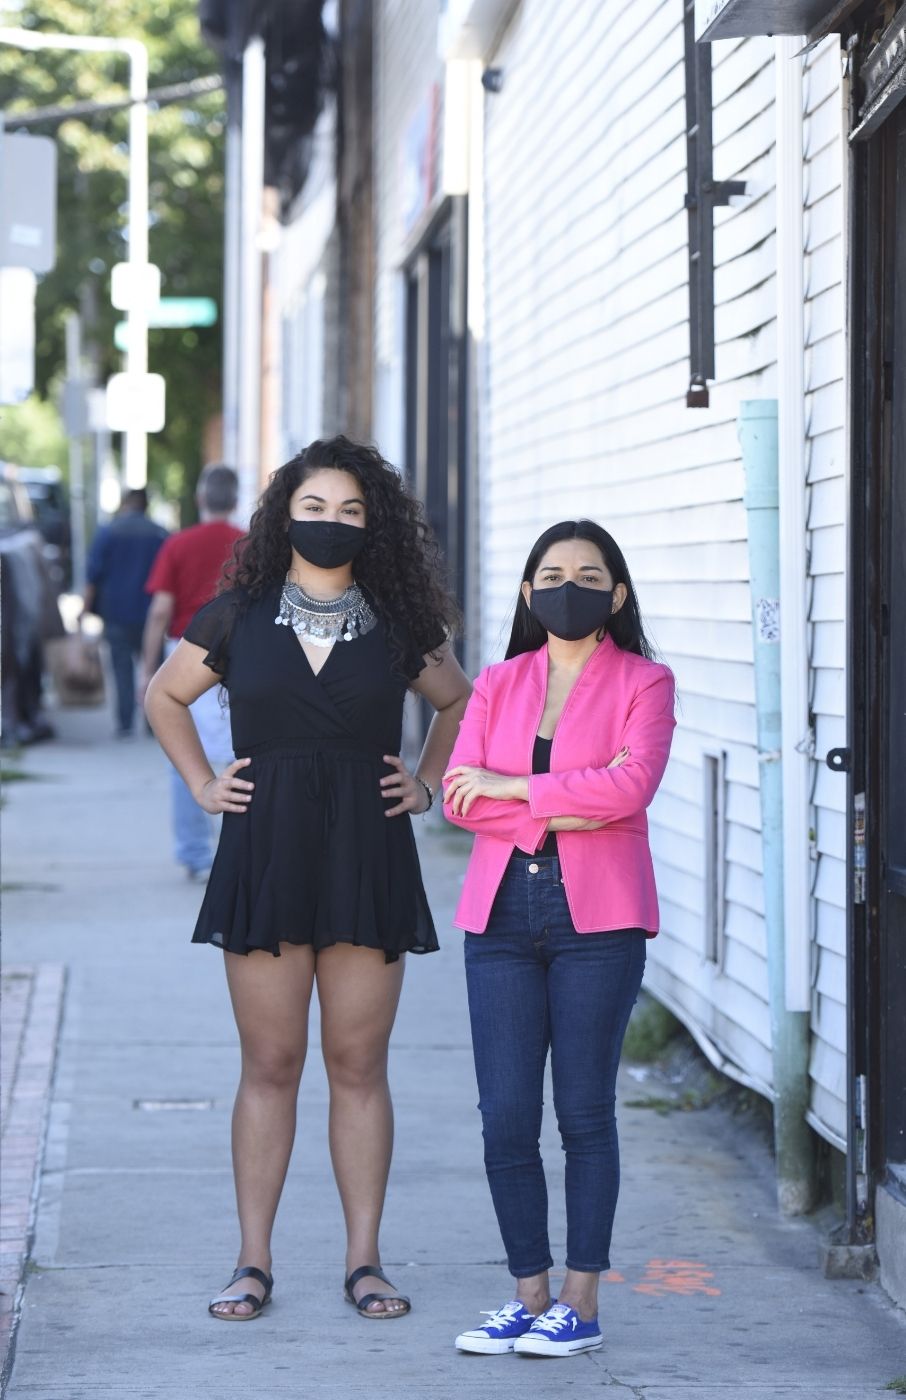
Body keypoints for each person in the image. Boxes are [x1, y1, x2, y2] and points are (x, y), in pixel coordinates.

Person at [144, 436, 471, 1322]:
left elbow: (458, 700)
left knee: (358, 1064)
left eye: (351, 510)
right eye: (316, 507)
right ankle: (252, 1261)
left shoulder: (398, 620)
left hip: (369, 848)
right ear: (284, 515)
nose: (332, 522)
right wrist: (203, 784)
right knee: (272, 1062)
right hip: (267, 848)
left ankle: (366, 1261)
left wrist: (427, 782)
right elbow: (164, 696)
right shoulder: (238, 614)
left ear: (375, 525)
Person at [443, 519, 675, 1359]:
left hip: (597, 921)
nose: (566, 587)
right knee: (505, 1117)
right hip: (501, 916)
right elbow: (458, 798)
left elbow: (632, 787)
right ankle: (528, 1294)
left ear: (616, 594)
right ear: (527, 591)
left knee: (583, 1112)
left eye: (587, 575)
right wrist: (571, 800)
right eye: (550, 574)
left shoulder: (645, 681)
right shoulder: (497, 682)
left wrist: (514, 787)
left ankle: (580, 1302)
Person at [140, 464, 244, 880]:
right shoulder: (249, 545)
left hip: (186, 657)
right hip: (241, 655)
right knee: (245, 753)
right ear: (235, 500)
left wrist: (148, 669)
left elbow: (160, 610)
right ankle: (243, 848)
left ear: (200, 499)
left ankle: (195, 853)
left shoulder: (178, 545)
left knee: (184, 755)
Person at [83, 488, 167, 736]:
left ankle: (125, 722)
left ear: (125, 504)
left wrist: (85, 610)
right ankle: (152, 722)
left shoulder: (108, 532)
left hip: (116, 612)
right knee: (153, 667)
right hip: (151, 614)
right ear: (146, 506)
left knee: (121, 668)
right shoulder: (159, 534)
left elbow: (93, 575)